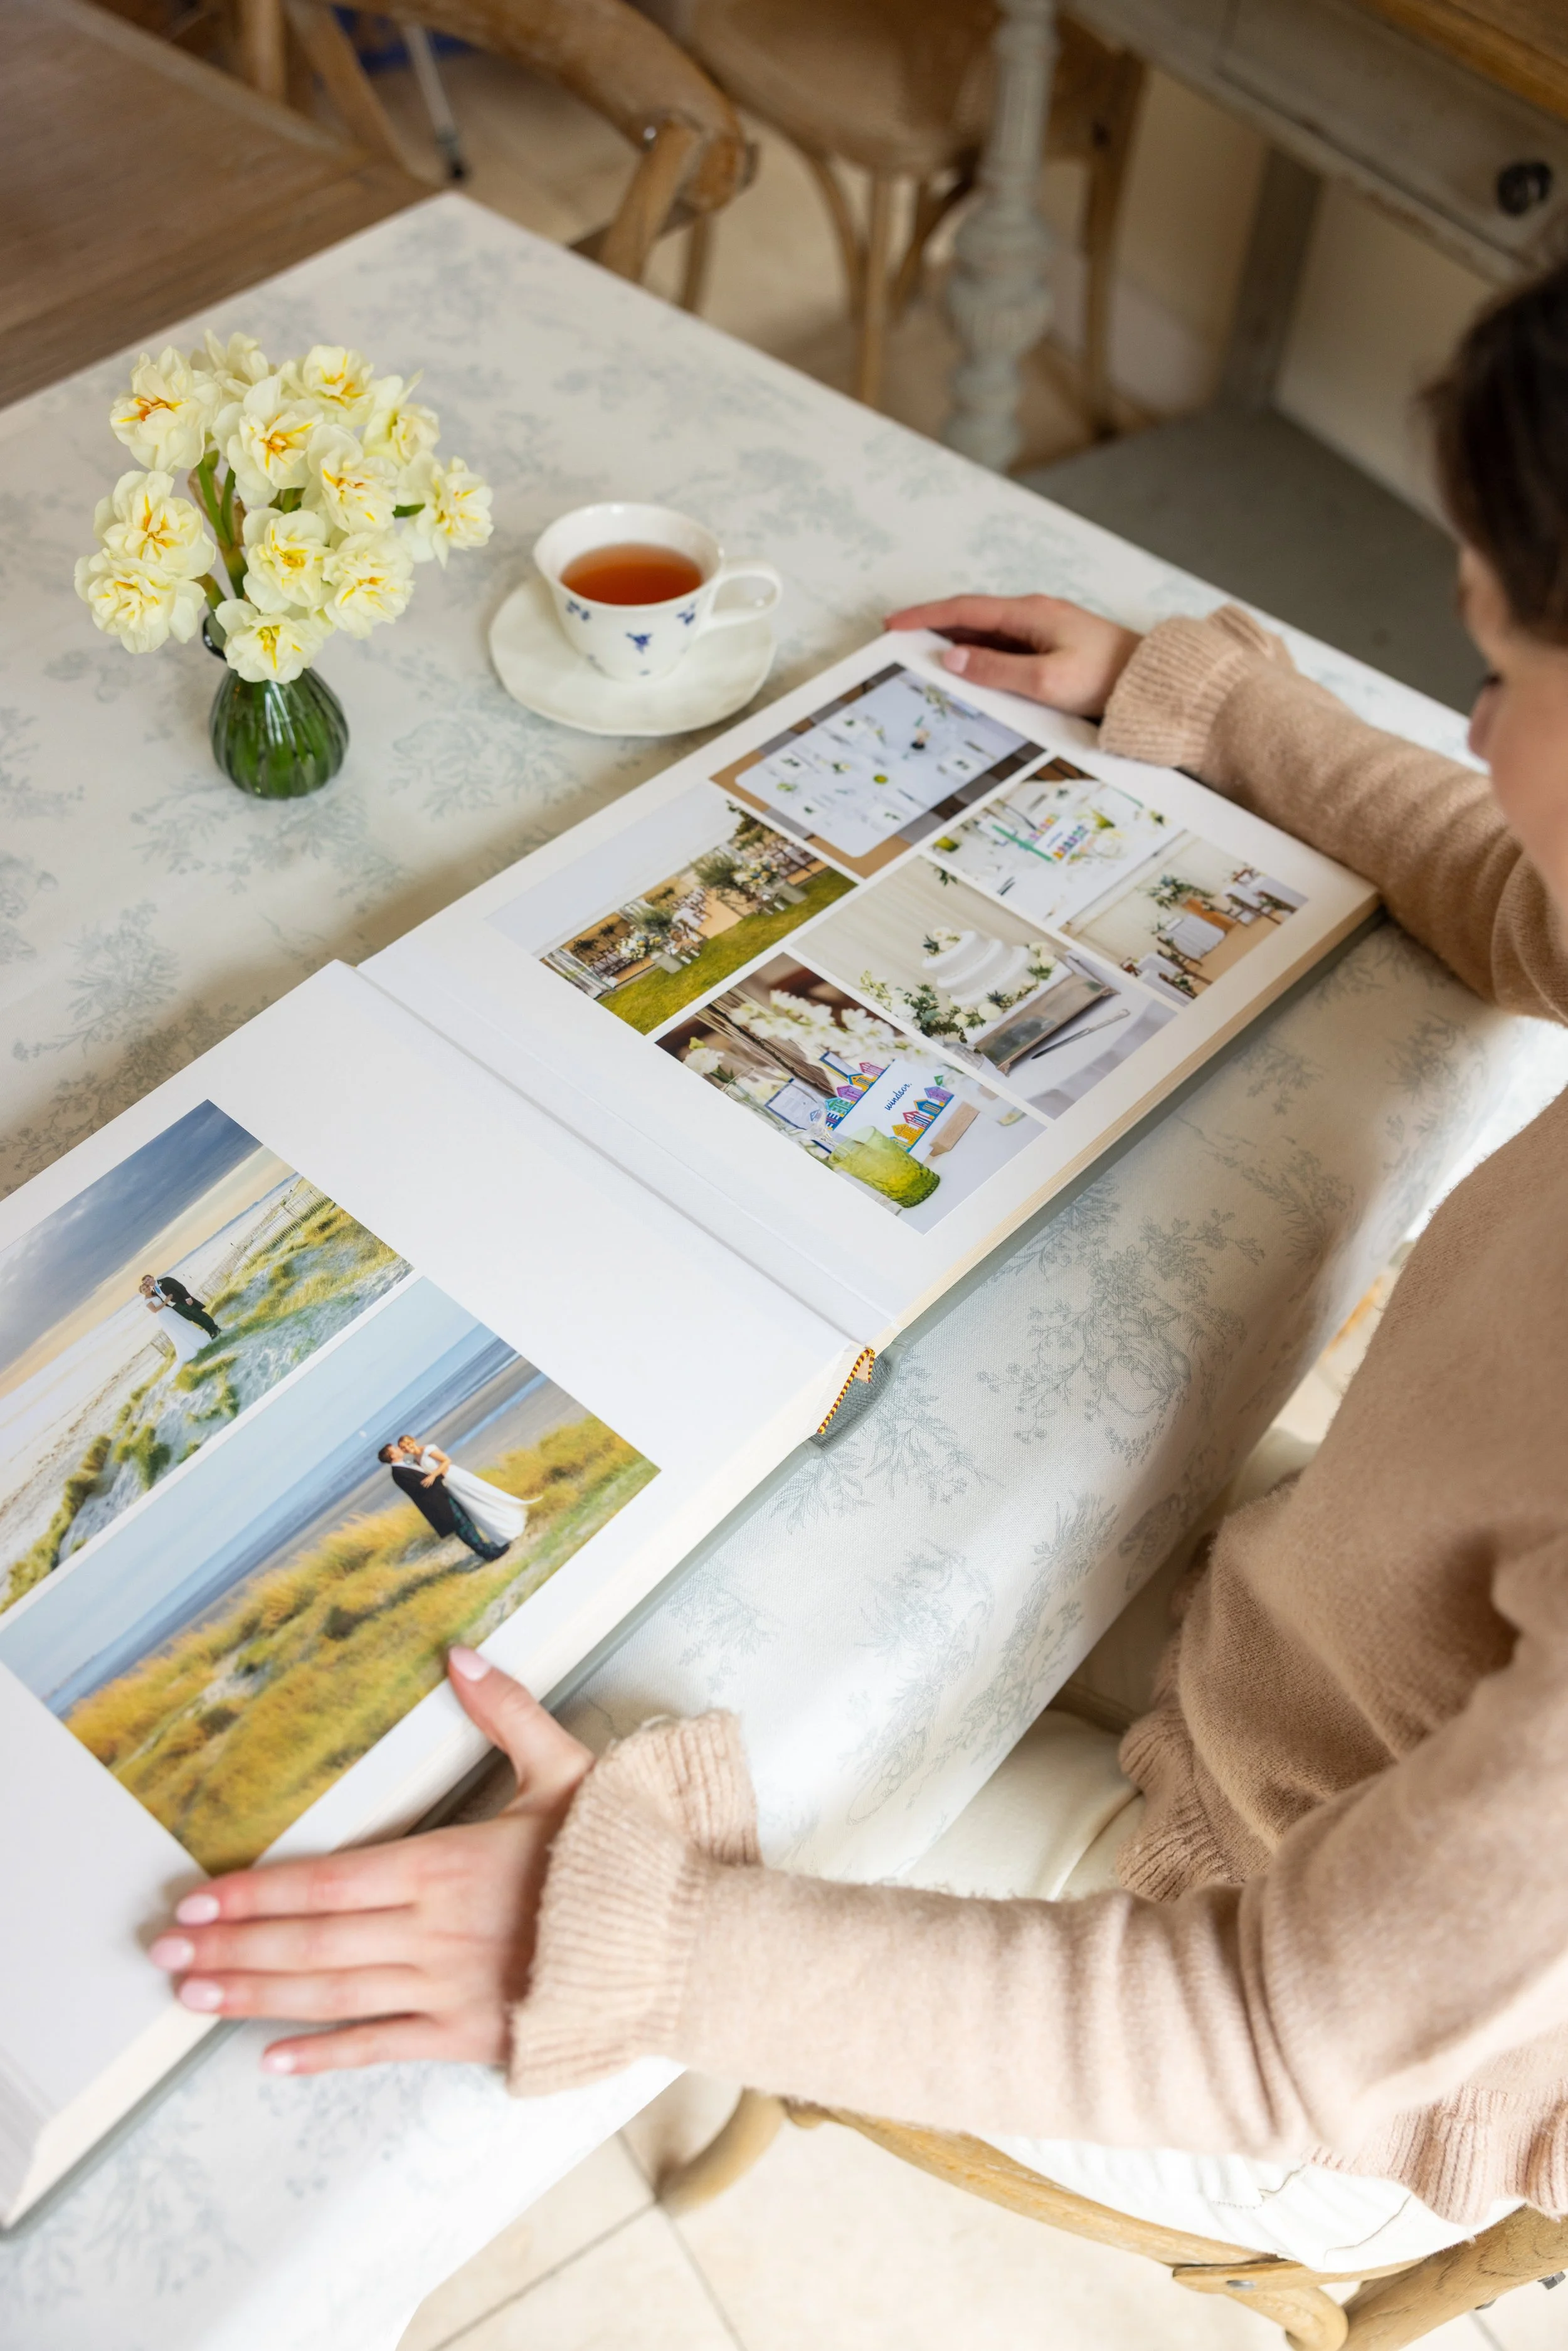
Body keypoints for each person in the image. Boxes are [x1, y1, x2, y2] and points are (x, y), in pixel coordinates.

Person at [147, 262, 1568, 2267]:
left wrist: (652, 1947)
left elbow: (1262, 2030)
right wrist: (1230, 713)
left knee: (535, 1793)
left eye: (1498, 671)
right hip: (1314, 1655)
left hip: (1268, 2002)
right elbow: (1521, 896)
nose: (1470, 725)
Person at [378, 1441, 510, 1564]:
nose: (399, 1449)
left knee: (466, 1522)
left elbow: (423, 1468)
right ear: (392, 1456)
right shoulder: (398, 1473)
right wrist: (439, 1475)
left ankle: (486, 1548)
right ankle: (488, 1554)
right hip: (438, 1503)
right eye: (395, 1449)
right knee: (462, 1526)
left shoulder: (406, 1462)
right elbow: (421, 1487)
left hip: (443, 1495)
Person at [394, 1433, 535, 1549]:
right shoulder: (414, 1460)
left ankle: (509, 1520)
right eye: (403, 1448)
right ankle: (498, 1533)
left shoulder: (428, 1449)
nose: (407, 1448)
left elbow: (446, 1461)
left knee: (479, 1498)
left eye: (408, 1444)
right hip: (446, 1486)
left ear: (414, 1441)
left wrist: (434, 1476)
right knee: (472, 1509)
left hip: (454, 1478)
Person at [140, 1282, 211, 1368]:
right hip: (164, 1315)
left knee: (184, 1326)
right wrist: (166, 1301)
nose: (146, 1289)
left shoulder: (154, 1294)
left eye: (146, 1287)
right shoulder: (147, 1301)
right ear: (142, 1292)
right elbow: (155, 1310)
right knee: (178, 1331)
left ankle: (199, 1341)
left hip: (169, 1311)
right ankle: (189, 1350)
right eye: (144, 1289)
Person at [139, 1271, 221, 1339]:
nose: (148, 1282)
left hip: (183, 1302)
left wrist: (187, 1298)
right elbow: (153, 1299)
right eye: (146, 1282)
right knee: (194, 1319)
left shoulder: (166, 1280)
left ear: (152, 1278)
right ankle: (211, 1332)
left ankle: (216, 1329)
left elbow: (180, 1287)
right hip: (176, 1308)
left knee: (200, 1315)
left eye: (148, 1279)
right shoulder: (154, 1293)